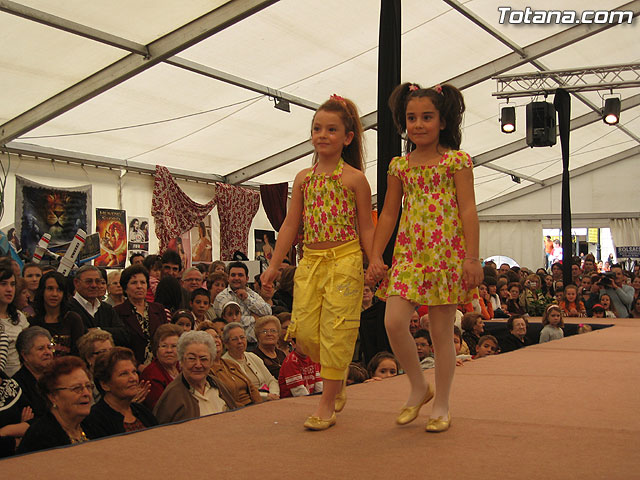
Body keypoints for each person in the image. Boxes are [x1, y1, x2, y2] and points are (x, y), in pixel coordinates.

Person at [368, 83, 481, 433]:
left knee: (441, 333)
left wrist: (472, 257)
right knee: (393, 321)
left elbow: (468, 208)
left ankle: (442, 403)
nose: (418, 124)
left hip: (447, 255)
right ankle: (419, 386)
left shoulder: (456, 160)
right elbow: (388, 214)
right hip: (409, 255)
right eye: (411, 118)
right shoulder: (399, 165)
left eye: (427, 117)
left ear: (443, 121)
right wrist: (374, 254)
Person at [261, 95, 374, 430]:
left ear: (347, 137)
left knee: (336, 332)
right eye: (317, 128)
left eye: (331, 129)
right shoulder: (303, 178)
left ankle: (327, 401)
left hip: (345, 260)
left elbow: (367, 226)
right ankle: (337, 381)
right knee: (308, 335)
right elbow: (290, 225)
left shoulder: (355, 179)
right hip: (310, 262)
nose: (322, 135)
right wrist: (272, 265)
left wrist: (376, 261)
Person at [153, 331, 237, 424]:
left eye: (203, 359)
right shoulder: (173, 395)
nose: (198, 365)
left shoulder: (217, 384)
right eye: (191, 359)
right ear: (181, 361)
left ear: (211, 361)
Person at [17, 356, 93, 453]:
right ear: (53, 396)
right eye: (77, 388)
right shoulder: (41, 437)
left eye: (88, 386)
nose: (86, 393)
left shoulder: (91, 424)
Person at [83, 347, 157, 438]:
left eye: (134, 372)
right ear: (105, 384)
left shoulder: (142, 411)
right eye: (124, 374)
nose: (133, 378)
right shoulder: (95, 419)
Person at [115, 265, 167, 370]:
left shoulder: (158, 309)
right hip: (131, 368)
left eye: (143, 282)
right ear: (125, 288)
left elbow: (166, 337)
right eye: (134, 283)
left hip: (160, 366)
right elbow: (118, 347)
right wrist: (137, 366)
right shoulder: (117, 312)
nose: (139, 286)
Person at [201, 323, 261, 407]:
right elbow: (221, 399)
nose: (215, 340)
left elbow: (252, 388)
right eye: (209, 338)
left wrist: (260, 406)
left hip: (254, 406)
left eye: (216, 337)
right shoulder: (206, 371)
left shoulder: (230, 363)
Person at [214, 262, 272, 350]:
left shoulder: (252, 295)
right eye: (233, 275)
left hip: (256, 345)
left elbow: (268, 312)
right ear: (228, 278)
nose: (236, 278)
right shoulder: (221, 297)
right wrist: (255, 319)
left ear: (247, 278)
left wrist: (247, 298)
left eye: (240, 275)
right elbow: (230, 322)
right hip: (232, 346)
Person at [68, 265, 129, 347]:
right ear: (76, 283)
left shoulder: (107, 309)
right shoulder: (68, 308)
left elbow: (123, 335)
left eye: (97, 281)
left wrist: (97, 330)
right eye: (89, 281)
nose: (94, 285)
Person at [29, 271, 86, 356]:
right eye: (50, 289)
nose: (54, 294)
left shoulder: (73, 319)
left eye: (59, 290)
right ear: (42, 291)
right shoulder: (33, 321)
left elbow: (79, 353)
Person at [222, 322, 279, 401]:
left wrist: (274, 394)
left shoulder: (252, 356)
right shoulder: (224, 364)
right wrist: (266, 396)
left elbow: (271, 380)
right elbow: (241, 393)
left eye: (242, 337)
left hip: (270, 400)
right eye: (235, 339)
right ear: (226, 344)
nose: (240, 341)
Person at [12, 326, 54, 417]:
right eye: (41, 348)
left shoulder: (57, 377)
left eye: (49, 348)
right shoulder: (16, 386)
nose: (48, 352)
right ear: (24, 355)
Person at [140, 324, 182, 410]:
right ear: (156, 348)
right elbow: (161, 410)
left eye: (174, 346)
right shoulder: (151, 375)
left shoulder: (181, 367)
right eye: (164, 346)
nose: (169, 350)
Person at [0, 265, 29, 376]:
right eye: (3, 284)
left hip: (18, 381)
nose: (9, 289)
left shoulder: (19, 316)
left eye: (12, 284)